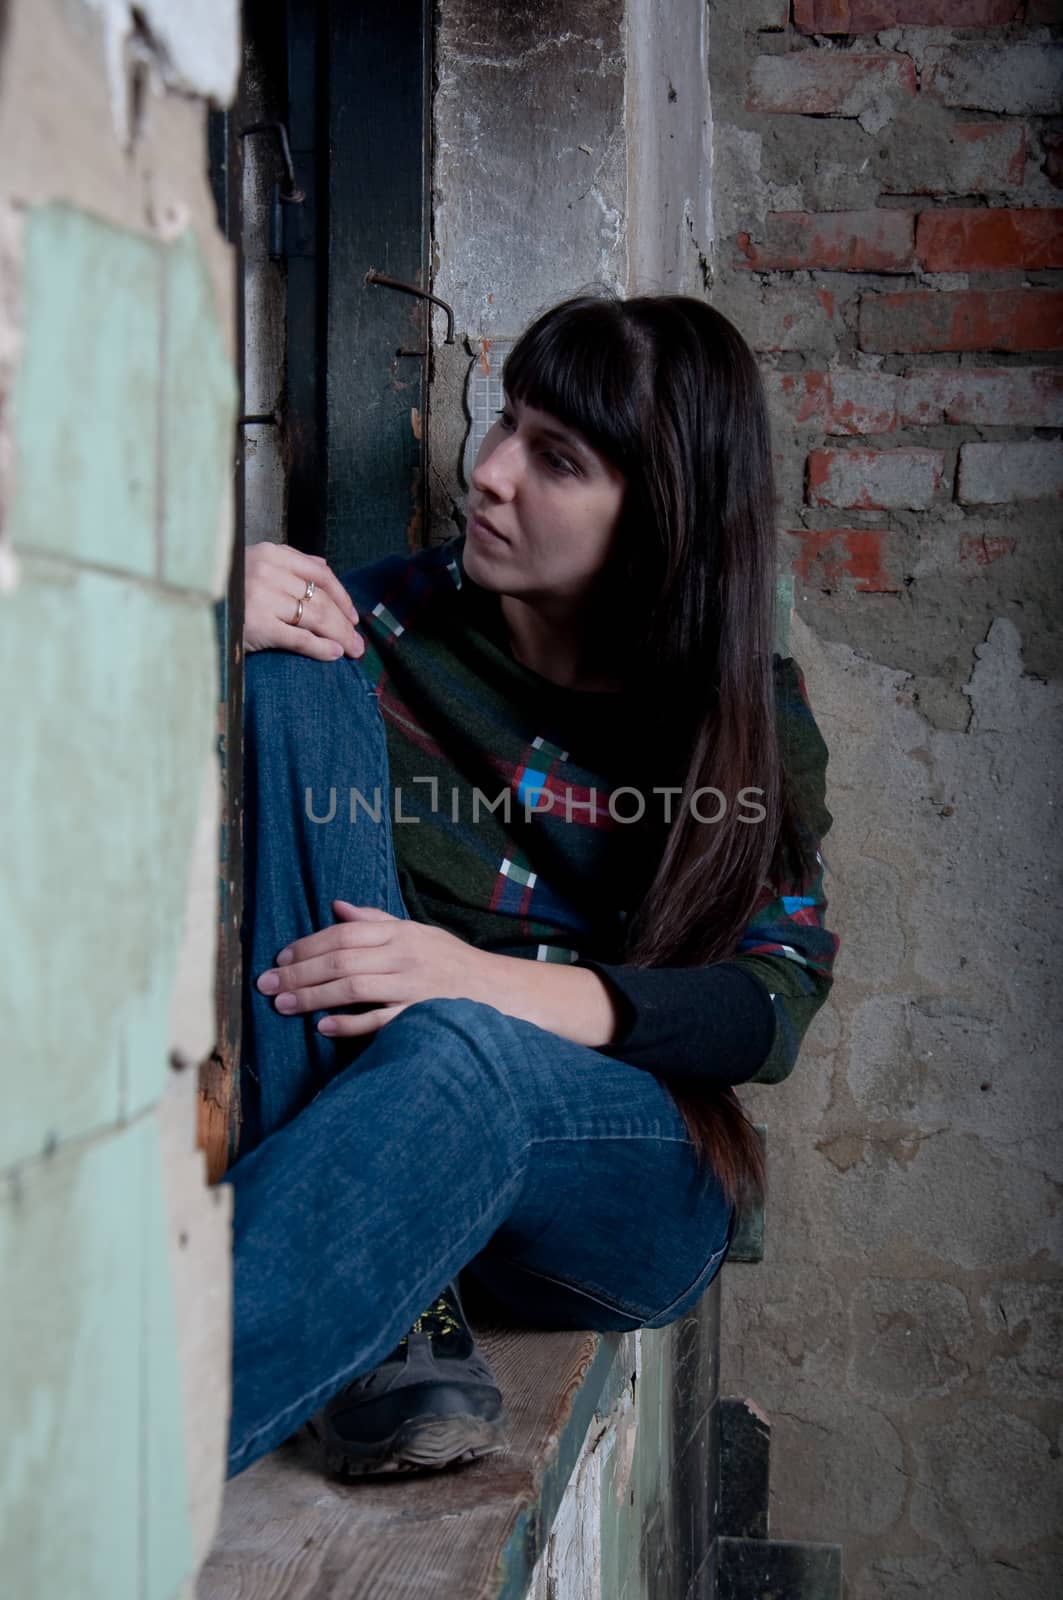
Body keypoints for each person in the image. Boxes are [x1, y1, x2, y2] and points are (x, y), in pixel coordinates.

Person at [224, 292, 838, 1483]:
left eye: (554, 458)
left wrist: (482, 985)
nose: (491, 472)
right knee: (289, 667)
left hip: (621, 1179)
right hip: (379, 1156)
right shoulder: (384, 622)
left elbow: (767, 1006)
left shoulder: (737, 717)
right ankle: (393, 1325)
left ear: (659, 516)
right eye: (505, 424)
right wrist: (196, 618)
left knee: (460, 1049)